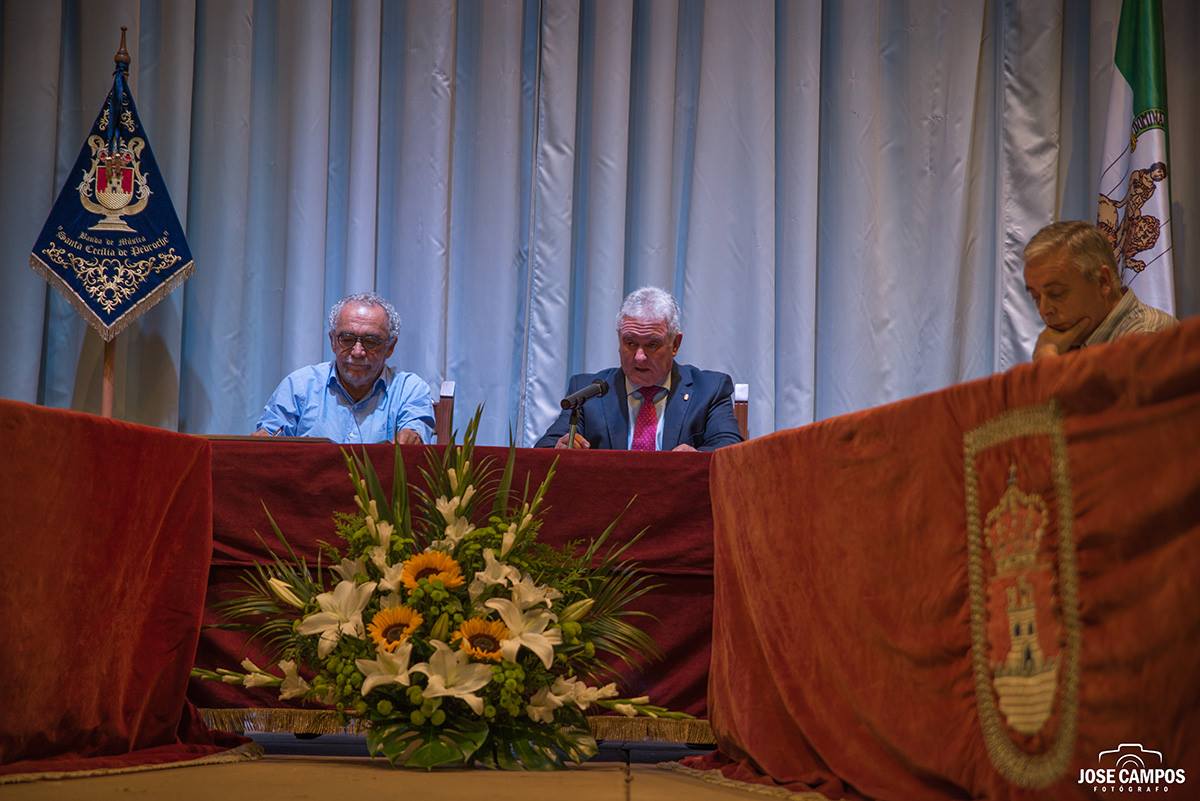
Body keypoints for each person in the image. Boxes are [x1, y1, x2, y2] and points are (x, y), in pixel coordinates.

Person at [535, 286, 743, 451]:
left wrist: (696, 458)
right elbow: (543, 451)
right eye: (630, 343)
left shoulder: (708, 390)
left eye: (652, 344)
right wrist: (560, 448)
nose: (639, 357)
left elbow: (730, 450)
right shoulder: (588, 392)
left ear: (676, 344)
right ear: (619, 339)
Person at [254, 292, 434, 444]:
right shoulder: (300, 386)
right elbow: (266, 441)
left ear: (390, 347)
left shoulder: (409, 390)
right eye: (347, 339)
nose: (357, 352)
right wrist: (262, 441)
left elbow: (414, 436)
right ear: (332, 341)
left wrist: (411, 437)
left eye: (371, 342)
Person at [1022, 221, 1177, 360]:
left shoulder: (1146, 337)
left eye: (1056, 293)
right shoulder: (1070, 342)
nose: (1044, 310)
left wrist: (1046, 361)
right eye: (1035, 297)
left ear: (1103, 281)